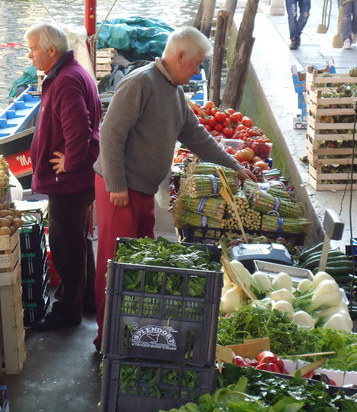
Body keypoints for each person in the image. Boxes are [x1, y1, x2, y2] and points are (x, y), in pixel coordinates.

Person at [92, 26, 257, 352]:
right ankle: (107, 339)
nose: (198, 71)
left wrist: (235, 166)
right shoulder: (140, 83)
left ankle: (131, 331)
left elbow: (197, 137)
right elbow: (110, 133)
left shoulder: (174, 93)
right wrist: (116, 184)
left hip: (141, 191)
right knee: (116, 266)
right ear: (179, 56)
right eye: (196, 64)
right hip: (119, 191)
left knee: (141, 263)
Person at [24, 22, 102, 330]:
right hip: (76, 181)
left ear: (51, 50)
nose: (29, 56)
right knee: (77, 240)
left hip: (69, 182)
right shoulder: (71, 73)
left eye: (32, 49)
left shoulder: (66, 80)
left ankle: (68, 311)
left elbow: (79, 128)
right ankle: (89, 299)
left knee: (66, 242)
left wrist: (70, 161)